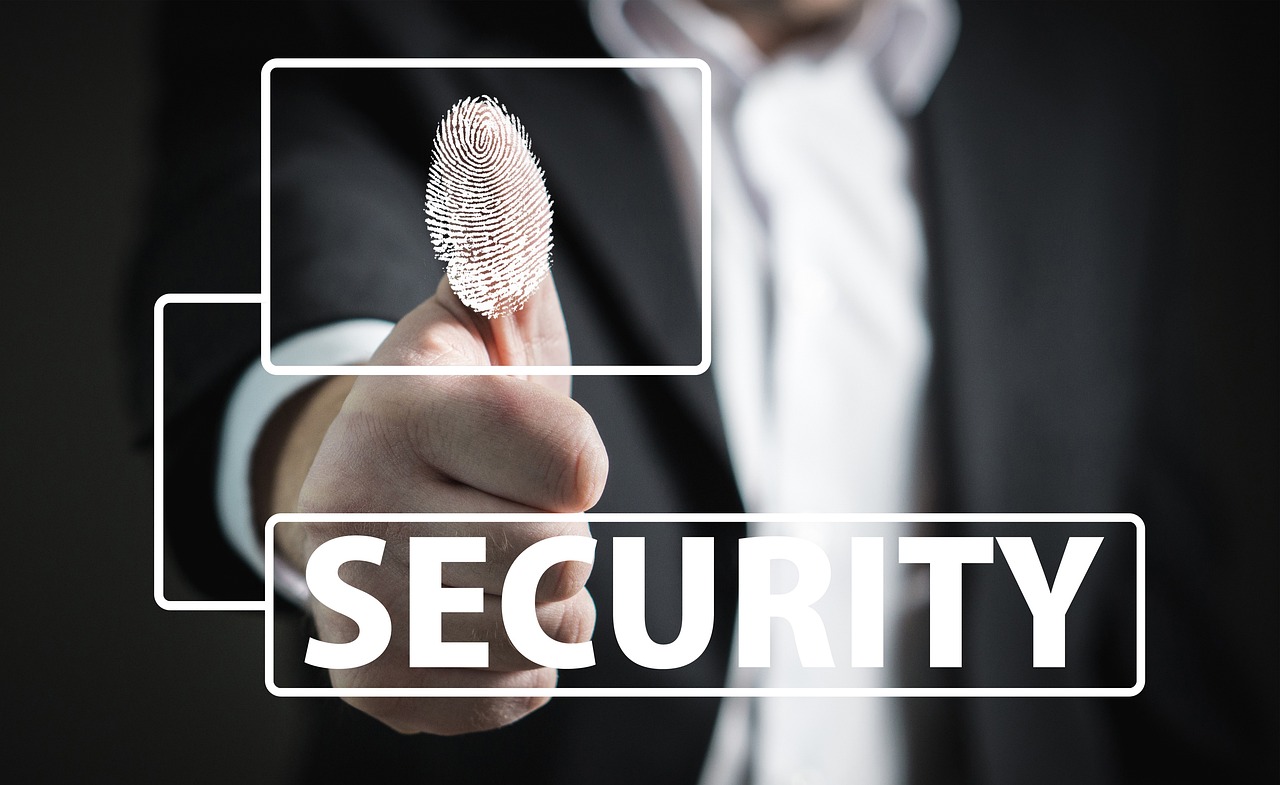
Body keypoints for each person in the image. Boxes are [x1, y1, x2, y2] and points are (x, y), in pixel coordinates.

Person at [128, 1, 1275, 783]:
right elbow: (286, 250)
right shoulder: (364, 27)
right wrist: (348, 476)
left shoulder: (1093, 85)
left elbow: (1145, 600)